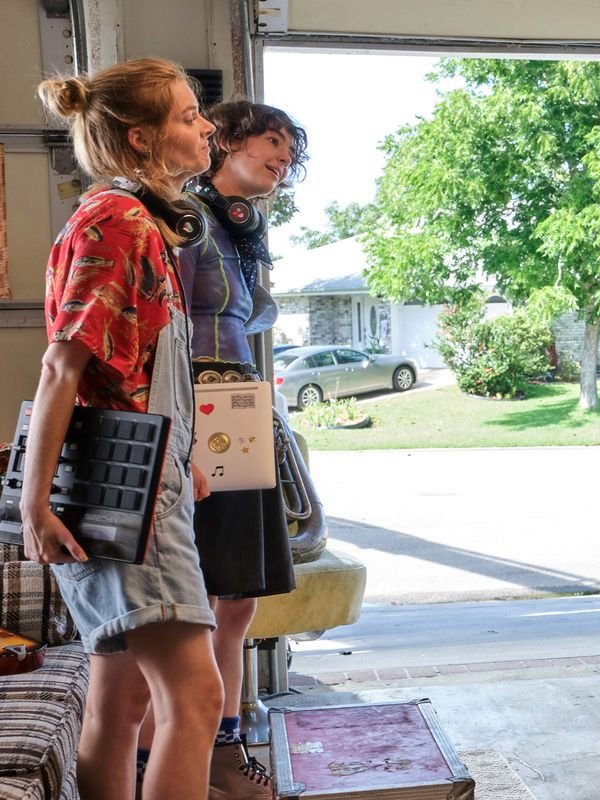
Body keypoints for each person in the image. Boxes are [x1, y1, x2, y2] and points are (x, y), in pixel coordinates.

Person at [23, 58, 223, 800]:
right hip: (128, 498)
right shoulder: (119, 223)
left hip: (139, 479)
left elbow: (127, 370)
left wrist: (184, 454)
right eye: (186, 116)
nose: (204, 126)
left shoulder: (135, 221)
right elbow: (60, 369)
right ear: (141, 139)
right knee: (196, 700)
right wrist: (32, 504)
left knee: (123, 697)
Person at [137, 100, 308, 798]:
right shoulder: (182, 218)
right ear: (228, 139)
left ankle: (225, 750)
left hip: (238, 404)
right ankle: (166, 753)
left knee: (236, 599)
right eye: (272, 143)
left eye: (290, 152)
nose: (283, 159)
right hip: (196, 405)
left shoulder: (240, 230)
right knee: (195, 597)